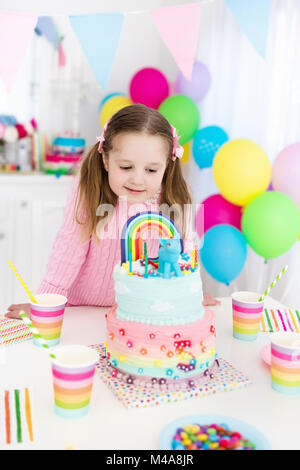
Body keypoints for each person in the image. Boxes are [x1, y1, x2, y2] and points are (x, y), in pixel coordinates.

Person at [5, 104, 220, 319]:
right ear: (106, 160)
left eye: (151, 170)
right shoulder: (88, 187)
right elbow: (69, 245)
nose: (137, 179)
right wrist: (46, 303)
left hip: (140, 310)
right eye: (126, 167)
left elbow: (185, 250)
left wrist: (191, 292)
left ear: (167, 166)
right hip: (82, 310)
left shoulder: (175, 197)